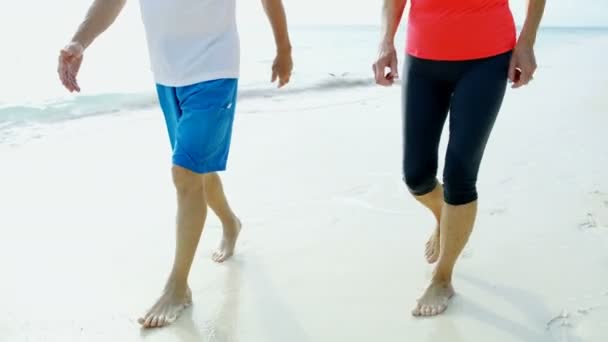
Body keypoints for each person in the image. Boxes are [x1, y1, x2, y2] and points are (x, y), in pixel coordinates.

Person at [58, 0, 293, 328]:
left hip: (215, 69)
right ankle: (230, 222)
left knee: (185, 174)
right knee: (198, 173)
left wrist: (284, 48)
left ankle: (178, 286)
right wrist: (79, 41)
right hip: (168, 74)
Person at [373, 0, 545, 317]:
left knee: (460, 176)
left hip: (487, 58)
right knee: (416, 176)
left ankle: (443, 278)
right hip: (422, 58)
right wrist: (386, 42)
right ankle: (445, 217)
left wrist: (527, 42)